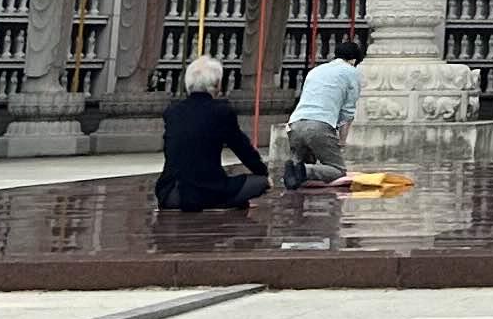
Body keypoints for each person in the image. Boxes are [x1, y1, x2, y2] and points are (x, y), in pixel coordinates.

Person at [154, 54, 269, 214]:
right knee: (261, 183)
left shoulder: (173, 112)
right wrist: (263, 172)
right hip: (209, 191)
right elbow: (243, 149)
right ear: (217, 85)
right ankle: (224, 202)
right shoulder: (222, 112)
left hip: (171, 193)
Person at [280, 46, 362, 188]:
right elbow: (347, 113)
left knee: (298, 173)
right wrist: (342, 141)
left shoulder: (316, 70)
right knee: (338, 171)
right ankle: (304, 169)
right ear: (354, 60)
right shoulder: (351, 72)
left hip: (294, 124)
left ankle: (296, 169)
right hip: (320, 125)